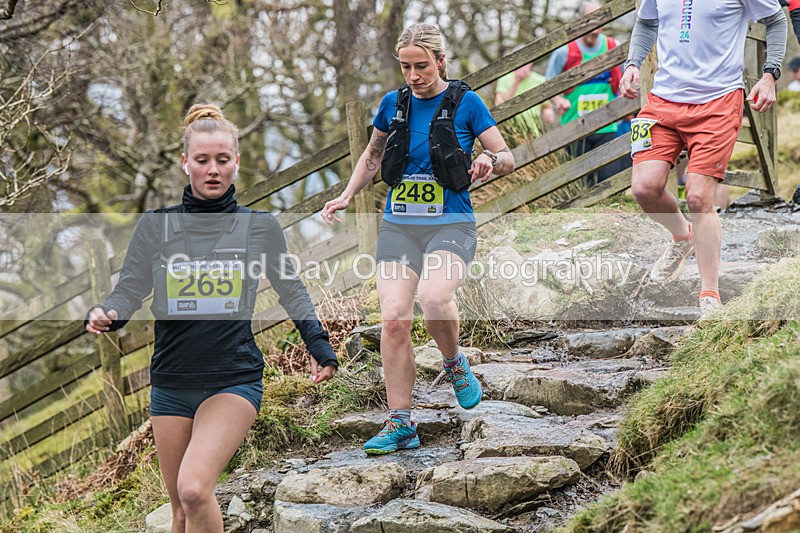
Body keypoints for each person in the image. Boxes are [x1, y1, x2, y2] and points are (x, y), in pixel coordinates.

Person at [85, 104, 338, 532]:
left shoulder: (258, 227)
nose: (213, 169)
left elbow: (290, 288)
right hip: (171, 382)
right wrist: (109, 313)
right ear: (186, 163)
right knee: (181, 512)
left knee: (194, 489)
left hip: (232, 378)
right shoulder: (156, 227)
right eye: (202, 160)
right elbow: (129, 289)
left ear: (236, 162)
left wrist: (317, 344)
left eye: (223, 160)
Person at [321, 23, 515, 455]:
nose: (413, 75)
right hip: (399, 226)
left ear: (441, 61)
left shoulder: (466, 103)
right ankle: (401, 423)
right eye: (406, 67)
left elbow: (507, 156)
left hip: (451, 223)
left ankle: (454, 362)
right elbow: (372, 155)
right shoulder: (394, 105)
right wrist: (346, 195)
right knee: (393, 317)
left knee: (433, 297)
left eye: (422, 66)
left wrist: (488, 158)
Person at [620, 0, 786, 317]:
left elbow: (777, 20)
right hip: (663, 101)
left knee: (698, 196)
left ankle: (709, 295)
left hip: (718, 101)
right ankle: (682, 236)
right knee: (644, 188)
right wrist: (632, 64)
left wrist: (770, 75)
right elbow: (645, 22)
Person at [543, 1, 627, 186]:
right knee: (581, 187)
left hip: (608, 126)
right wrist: (558, 101)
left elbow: (625, 80)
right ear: (579, 20)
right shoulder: (564, 52)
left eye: (599, 22)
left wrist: (623, 100)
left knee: (609, 184)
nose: (595, 29)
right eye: (589, 21)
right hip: (574, 129)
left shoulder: (614, 46)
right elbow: (547, 86)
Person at [495, 62, 549, 136]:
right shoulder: (504, 79)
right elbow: (499, 106)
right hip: (512, 133)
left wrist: (548, 113)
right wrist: (516, 81)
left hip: (535, 132)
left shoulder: (540, 80)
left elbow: (546, 106)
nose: (523, 66)